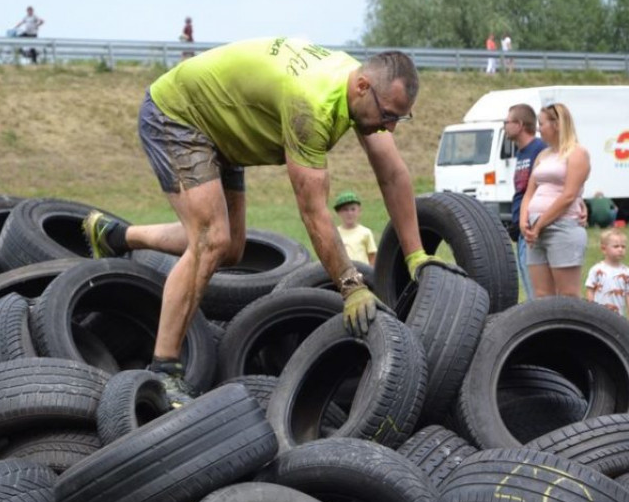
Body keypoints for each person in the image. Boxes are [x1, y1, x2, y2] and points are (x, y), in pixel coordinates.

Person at [81, 38, 445, 397]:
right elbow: (313, 211)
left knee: (231, 249)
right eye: (387, 116)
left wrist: (415, 255)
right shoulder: (312, 105)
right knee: (212, 239)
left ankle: (115, 237)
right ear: (363, 87)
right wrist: (351, 287)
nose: (390, 127)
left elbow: (393, 174)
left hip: (225, 131)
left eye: (400, 118)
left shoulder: (360, 88)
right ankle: (163, 369)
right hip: (179, 116)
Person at [519, 102, 591, 298]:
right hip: (535, 230)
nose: (538, 129)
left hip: (562, 226)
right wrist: (524, 221)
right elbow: (529, 192)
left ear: (556, 124)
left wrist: (540, 224)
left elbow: (568, 195)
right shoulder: (543, 155)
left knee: (567, 294)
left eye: (541, 124)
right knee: (542, 294)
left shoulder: (577, 153)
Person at [503, 103, 547, 301]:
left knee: (536, 292)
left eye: (507, 121)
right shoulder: (521, 153)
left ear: (519, 124)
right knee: (530, 291)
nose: (505, 126)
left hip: (533, 229)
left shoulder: (539, 150)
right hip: (521, 229)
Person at [585, 228, 629, 324]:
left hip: (619, 317)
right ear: (604, 249)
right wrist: (590, 310)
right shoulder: (596, 270)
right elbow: (590, 290)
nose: (620, 249)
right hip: (598, 315)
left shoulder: (627, 272)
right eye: (616, 246)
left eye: (623, 246)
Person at [333, 190, 377, 266]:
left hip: (362, 272)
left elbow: (372, 256)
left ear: (359, 211)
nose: (349, 213)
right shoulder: (335, 233)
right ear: (339, 212)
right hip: (343, 273)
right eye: (345, 210)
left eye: (353, 209)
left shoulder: (365, 232)